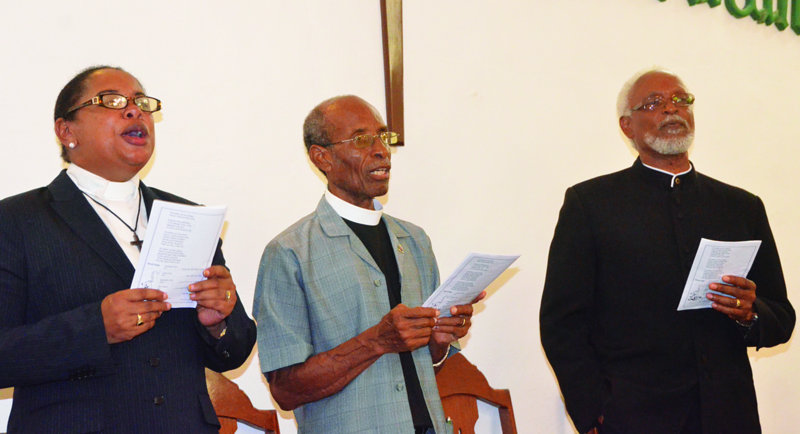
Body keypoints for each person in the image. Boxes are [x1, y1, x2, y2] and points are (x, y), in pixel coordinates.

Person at [0, 66, 256, 433]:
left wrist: (220, 322)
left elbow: (235, 351)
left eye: (141, 103)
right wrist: (94, 328)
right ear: (66, 131)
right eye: (112, 101)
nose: (135, 111)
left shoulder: (189, 218)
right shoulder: (15, 221)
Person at [539, 69, 794, 434]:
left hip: (729, 414)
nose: (671, 109)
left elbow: (781, 316)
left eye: (680, 100)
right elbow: (561, 323)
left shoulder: (741, 206)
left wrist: (749, 312)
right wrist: (593, 411)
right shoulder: (591, 205)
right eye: (654, 103)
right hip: (634, 416)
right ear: (628, 126)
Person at [253, 95, 483, 433]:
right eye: (362, 140)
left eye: (383, 137)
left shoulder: (414, 241)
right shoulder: (289, 253)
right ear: (323, 157)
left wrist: (440, 339)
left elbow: (422, 367)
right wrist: (376, 340)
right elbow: (286, 390)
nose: (381, 150)